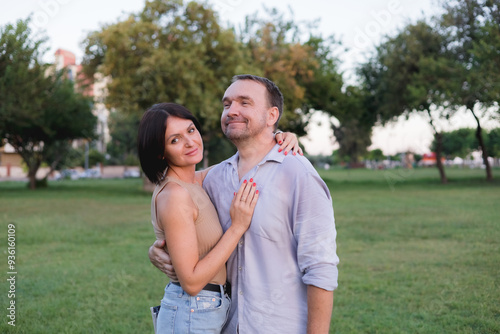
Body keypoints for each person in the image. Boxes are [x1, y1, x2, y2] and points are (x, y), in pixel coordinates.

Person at [149, 75, 339, 333]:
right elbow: (176, 200)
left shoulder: (298, 175)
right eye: (227, 104)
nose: (232, 111)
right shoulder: (215, 179)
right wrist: (157, 250)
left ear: (272, 116)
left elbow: (321, 269)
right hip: (225, 325)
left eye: (244, 102)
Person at [138, 102, 301, 333]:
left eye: (191, 130)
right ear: (160, 152)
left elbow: (242, 161)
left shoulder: (197, 180)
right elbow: (192, 282)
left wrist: (280, 137)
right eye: (175, 140)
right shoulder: (174, 194)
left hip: (205, 309)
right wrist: (238, 227)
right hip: (192, 310)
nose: (190, 142)